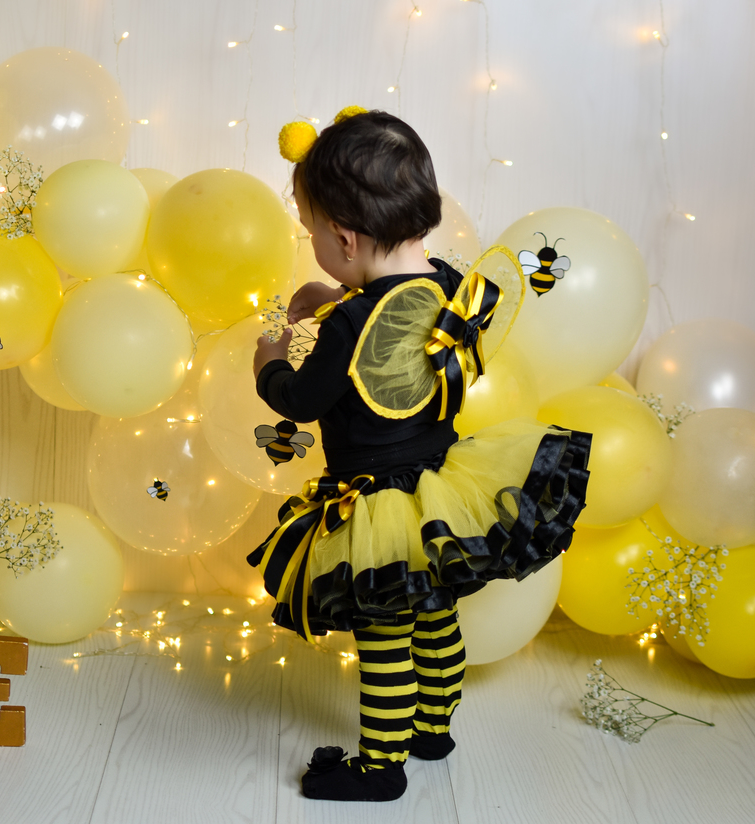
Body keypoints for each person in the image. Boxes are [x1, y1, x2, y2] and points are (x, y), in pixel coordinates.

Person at [249, 108, 591, 803]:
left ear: (345, 238)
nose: (313, 243)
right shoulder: (449, 283)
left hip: (375, 506)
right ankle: (433, 730)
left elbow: (303, 401)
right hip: (441, 486)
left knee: (382, 633)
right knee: (435, 614)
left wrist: (270, 363)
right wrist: (340, 292)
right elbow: (395, 314)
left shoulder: (349, 325)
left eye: (313, 232)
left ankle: (381, 767)